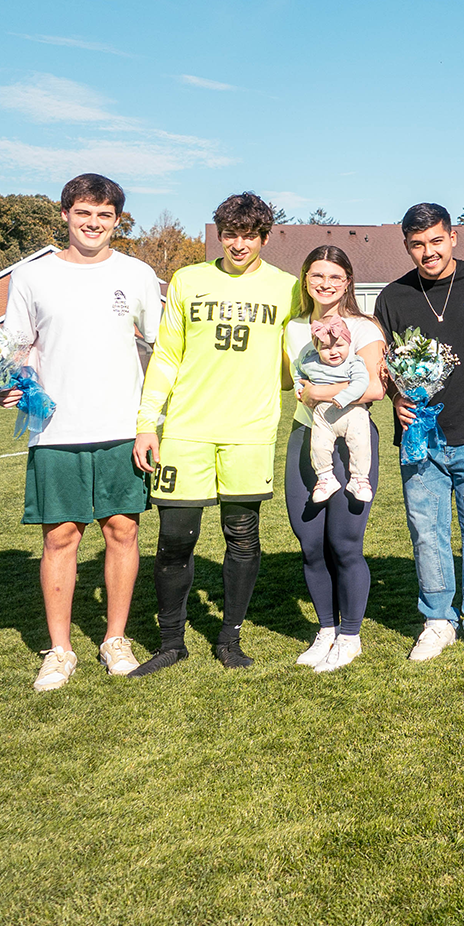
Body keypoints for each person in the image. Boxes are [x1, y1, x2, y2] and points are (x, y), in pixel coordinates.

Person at [0, 173, 162, 691]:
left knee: (123, 531)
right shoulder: (31, 276)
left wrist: (152, 422)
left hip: (122, 428)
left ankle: (115, 638)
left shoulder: (137, 274)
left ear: (117, 220)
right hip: (54, 431)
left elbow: (163, 350)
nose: (94, 223)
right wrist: (7, 386)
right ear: (66, 214)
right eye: (84, 213)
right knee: (62, 537)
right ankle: (60, 649)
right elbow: (17, 350)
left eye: (105, 215)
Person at [132, 192, 299, 674]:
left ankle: (230, 639)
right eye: (230, 234)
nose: (239, 244)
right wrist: (148, 423)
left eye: (249, 235)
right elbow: (165, 356)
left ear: (265, 237)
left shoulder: (287, 288)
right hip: (186, 430)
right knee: (175, 539)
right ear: (219, 234)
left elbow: (296, 358)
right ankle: (170, 642)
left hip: (250, 432)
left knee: (242, 537)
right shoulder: (188, 280)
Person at [376, 203, 464, 663]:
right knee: (426, 532)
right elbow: (384, 364)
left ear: (452, 237)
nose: (428, 251)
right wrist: (397, 395)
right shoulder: (393, 297)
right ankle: (437, 621)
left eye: (436, 241)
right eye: (417, 244)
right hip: (419, 437)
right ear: (406, 247)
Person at [283, 247, 386, 673]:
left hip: (351, 440)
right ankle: (326, 629)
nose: (325, 284)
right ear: (306, 278)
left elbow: (373, 390)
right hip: (305, 436)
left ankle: (350, 636)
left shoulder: (363, 327)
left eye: (335, 276)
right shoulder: (292, 328)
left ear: (348, 282)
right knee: (309, 544)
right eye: (317, 275)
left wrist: (316, 393)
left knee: (345, 545)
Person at [295, 316, 375, 505]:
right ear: (317, 349)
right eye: (325, 348)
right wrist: (300, 387)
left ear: (348, 341)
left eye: (339, 345)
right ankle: (325, 478)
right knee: (319, 445)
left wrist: (342, 398)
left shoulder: (354, 363)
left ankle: (359, 479)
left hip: (352, 412)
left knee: (360, 444)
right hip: (324, 415)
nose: (333, 352)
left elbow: (362, 383)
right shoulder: (310, 362)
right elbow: (298, 368)